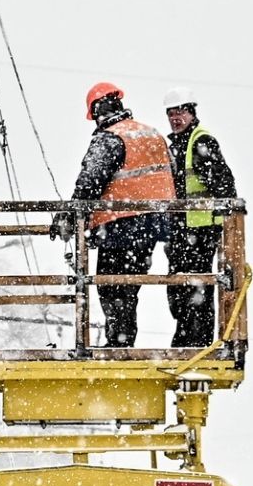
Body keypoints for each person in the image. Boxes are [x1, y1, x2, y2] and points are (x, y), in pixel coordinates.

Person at [52, 82, 175, 348]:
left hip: (120, 224)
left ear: (98, 110)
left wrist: (68, 215)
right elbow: (172, 176)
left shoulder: (110, 137)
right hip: (154, 224)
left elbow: (89, 182)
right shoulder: (151, 133)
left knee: (111, 286)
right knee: (128, 286)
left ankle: (119, 343)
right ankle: (122, 341)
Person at [162, 86, 238, 348]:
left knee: (197, 287)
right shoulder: (176, 146)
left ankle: (197, 340)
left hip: (201, 229)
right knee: (178, 286)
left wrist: (223, 220)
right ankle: (185, 336)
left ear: (192, 113)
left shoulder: (201, 142)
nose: (175, 118)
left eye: (180, 112)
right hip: (182, 230)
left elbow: (224, 184)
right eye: (171, 113)